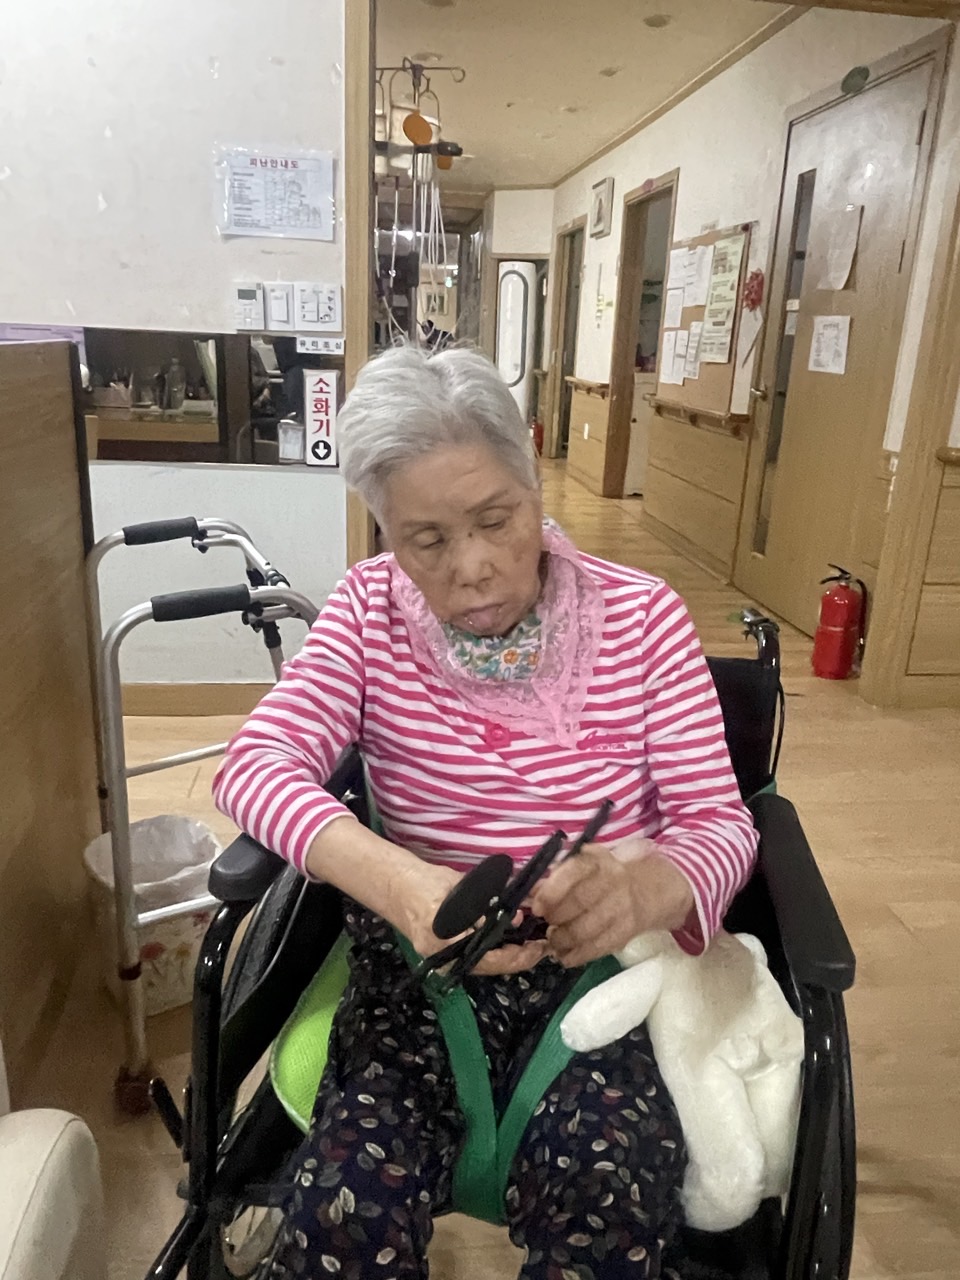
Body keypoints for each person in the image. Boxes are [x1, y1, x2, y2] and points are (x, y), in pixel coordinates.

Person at [213, 343, 758, 1280]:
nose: (471, 567)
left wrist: (642, 891)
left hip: (599, 975)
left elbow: (720, 824)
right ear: (385, 532)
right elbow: (255, 766)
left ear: (534, 483)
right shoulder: (367, 612)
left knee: (608, 1203)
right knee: (346, 1215)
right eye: (425, 540)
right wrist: (404, 885)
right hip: (419, 972)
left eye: (496, 520)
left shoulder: (645, 620)